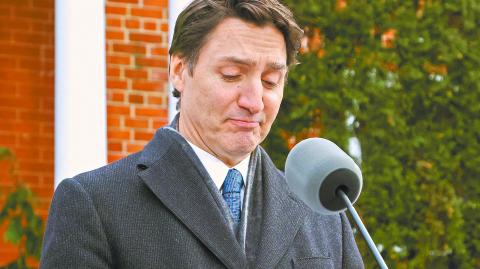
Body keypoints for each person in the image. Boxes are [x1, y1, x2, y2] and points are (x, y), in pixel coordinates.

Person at [40, 0, 364, 268]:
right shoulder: (94, 204)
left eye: (270, 81)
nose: (254, 102)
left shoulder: (324, 214)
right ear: (179, 70)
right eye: (232, 75)